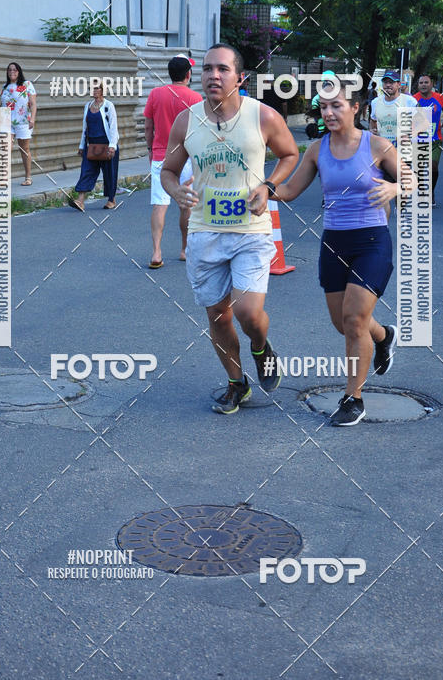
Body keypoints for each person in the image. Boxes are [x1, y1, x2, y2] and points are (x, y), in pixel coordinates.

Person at [161, 43, 299, 414]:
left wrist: (268, 186)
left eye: (222, 69)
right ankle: (237, 384)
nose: (213, 76)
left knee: (248, 313)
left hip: (251, 232)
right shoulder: (186, 121)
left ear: (241, 77)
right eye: (207, 69)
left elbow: (290, 154)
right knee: (218, 316)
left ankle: (260, 346)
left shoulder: (264, 117)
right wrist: (177, 192)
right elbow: (168, 171)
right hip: (204, 233)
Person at [274, 79, 413, 426]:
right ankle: (385, 337)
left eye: (337, 105)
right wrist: (264, 191)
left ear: (355, 108)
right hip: (334, 242)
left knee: (354, 319)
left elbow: (412, 180)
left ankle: (354, 397)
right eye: (324, 106)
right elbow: (290, 189)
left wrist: (395, 187)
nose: (329, 112)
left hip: (372, 241)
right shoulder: (316, 150)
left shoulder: (378, 146)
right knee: (344, 324)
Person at [144, 54, 201, 267]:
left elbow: (148, 126)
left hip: (161, 155)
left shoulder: (155, 94)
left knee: (160, 204)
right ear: (188, 74)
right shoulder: (196, 98)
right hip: (186, 158)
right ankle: (185, 249)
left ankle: (156, 253)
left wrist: (150, 149)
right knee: (186, 205)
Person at [369, 69, 417, 218]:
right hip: (382, 151)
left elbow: (421, 124)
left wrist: (409, 134)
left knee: (401, 183)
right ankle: (384, 218)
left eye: (391, 82)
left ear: (398, 84)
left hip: (403, 150)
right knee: (382, 183)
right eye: (385, 82)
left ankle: (401, 210)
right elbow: (373, 121)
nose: (388, 85)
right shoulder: (376, 102)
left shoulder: (409, 101)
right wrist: (372, 130)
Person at [70, 83, 119, 212]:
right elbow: (84, 128)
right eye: (92, 88)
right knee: (86, 171)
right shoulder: (88, 106)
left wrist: (112, 146)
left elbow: (113, 127)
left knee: (109, 173)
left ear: (103, 90)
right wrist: (81, 145)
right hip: (91, 145)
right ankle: (80, 201)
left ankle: (111, 199)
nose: (94, 90)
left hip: (106, 144)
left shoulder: (109, 106)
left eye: (97, 88)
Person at [414, 75, 443, 206]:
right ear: (418, 85)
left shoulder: (439, 97)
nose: (423, 85)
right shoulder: (413, 100)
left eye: (426, 82)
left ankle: (431, 192)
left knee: (433, 166)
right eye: (421, 83)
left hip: (435, 139)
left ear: (431, 84)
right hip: (418, 139)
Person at [0, 62, 37, 185]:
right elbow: (2, 105)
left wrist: (32, 119)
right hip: (7, 122)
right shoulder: (5, 87)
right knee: (6, 149)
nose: (12, 72)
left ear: (19, 71)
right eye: (9, 70)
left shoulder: (27, 85)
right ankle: (4, 178)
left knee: (24, 149)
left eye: (15, 70)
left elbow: (33, 103)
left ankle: (28, 177)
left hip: (23, 121)